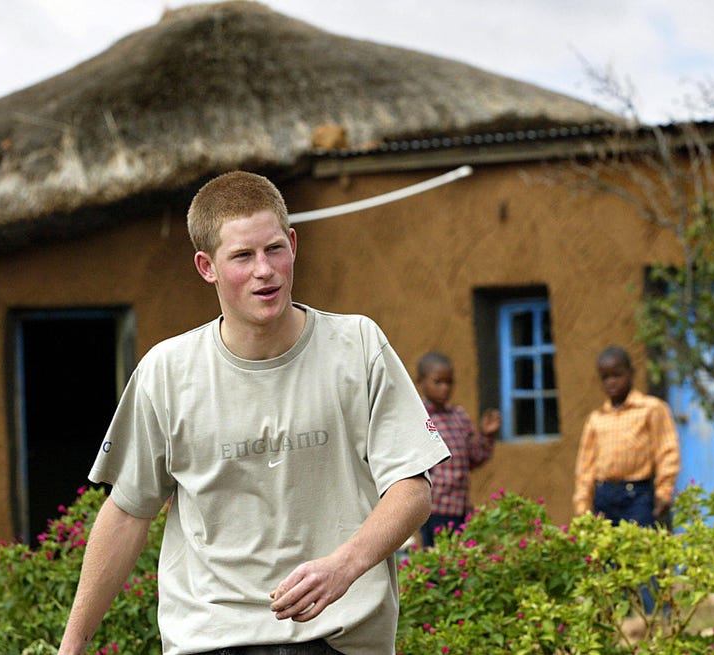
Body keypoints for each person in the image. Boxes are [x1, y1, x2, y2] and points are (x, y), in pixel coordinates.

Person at [57, 171, 451, 655]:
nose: (265, 270)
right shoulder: (166, 372)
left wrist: (344, 566)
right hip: (212, 640)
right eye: (242, 256)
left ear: (293, 243)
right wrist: (72, 645)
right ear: (207, 267)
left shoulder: (359, 347)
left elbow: (412, 489)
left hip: (340, 638)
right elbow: (127, 513)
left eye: (274, 249)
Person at [573, 345, 681, 526]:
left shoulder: (651, 408)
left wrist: (664, 491)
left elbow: (667, 451)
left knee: (640, 548)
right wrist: (582, 504)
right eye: (605, 377)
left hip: (637, 495)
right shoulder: (596, 418)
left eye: (617, 375)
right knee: (606, 551)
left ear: (631, 373)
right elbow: (586, 465)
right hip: (603, 496)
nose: (611, 382)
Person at [415, 352, 500, 547]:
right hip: (435, 510)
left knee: (461, 566)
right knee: (439, 566)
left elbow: (473, 457)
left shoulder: (458, 416)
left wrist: (486, 435)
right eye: (438, 382)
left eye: (449, 382)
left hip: (461, 509)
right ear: (420, 381)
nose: (444, 388)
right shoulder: (420, 418)